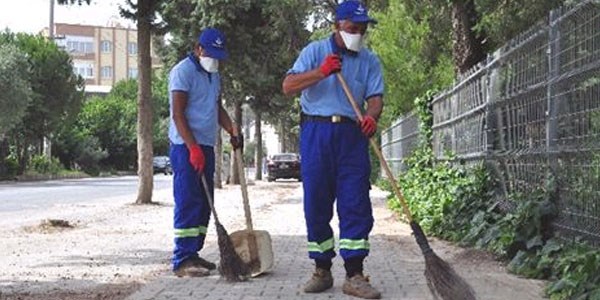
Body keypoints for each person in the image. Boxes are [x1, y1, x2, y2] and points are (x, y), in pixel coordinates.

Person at [281, 1, 383, 298]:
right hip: (317, 132)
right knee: (316, 202)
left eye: (363, 28)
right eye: (353, 27)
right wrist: (322, 71)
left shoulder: (369, 60)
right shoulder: (315, 51)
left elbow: (376, 98)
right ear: (337, 25)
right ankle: (322, 269)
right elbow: (288, 86)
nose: (359, 33)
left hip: (352, 134)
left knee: (355, 202)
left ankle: (354, 274)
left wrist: (371, 117)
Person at [168, 28, 243, 277]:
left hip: (207, 145)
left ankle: (194, 253)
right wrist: (192, 148)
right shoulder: (182, 72)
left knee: (204, 202)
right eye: (211, 54)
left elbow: (217, 107)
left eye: (218, 56)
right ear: (198, 49)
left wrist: (231, 128)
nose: (215, 60)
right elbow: (178, 114)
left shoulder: (214, 75)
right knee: (189, 199)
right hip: (185, 146)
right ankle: (182, 259)